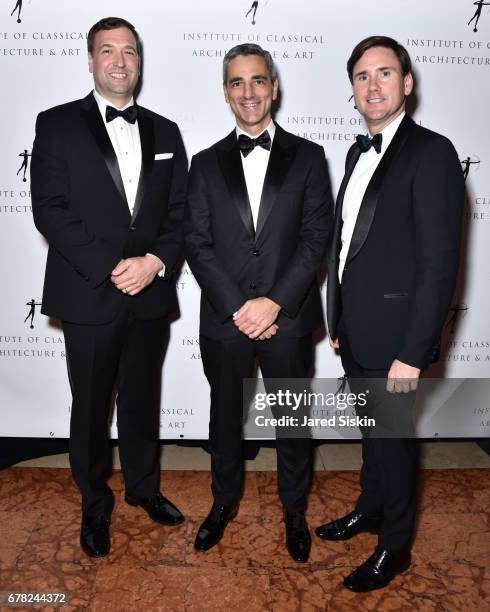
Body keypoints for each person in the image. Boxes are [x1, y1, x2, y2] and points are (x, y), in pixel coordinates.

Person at [31, 17, 187, 558]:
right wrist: (113, 265)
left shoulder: (167, 131)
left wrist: (154, 262)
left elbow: (179, 213)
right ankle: (95, 504)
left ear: (139, 62)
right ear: (91, 60)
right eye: (108, 51)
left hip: (150, 292)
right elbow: (49, 210)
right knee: (92, 407)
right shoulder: (56, 125)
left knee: (143, 402)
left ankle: (145, 490)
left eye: (129, 52)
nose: (119, 61)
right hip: (89, 292)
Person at [316, 36, 465, 591]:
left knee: (395, 445)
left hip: (398, 340)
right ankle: (371, 508)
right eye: (361, 75)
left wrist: (413, 349)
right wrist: (337, 321)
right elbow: (344, 245)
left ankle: (394, 547)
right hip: (356, 330)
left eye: (384, 73)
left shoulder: (433, 152)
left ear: (407, 83)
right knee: (373, 436)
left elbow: (438, 263)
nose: (372, 85)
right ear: (352, 89)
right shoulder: (358, 152)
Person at [185, 43, 332, 562]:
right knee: (223, 419)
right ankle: (222, 503)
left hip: (287, 319)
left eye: (257, 81)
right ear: (225, 92)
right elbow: (196, 243)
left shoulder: (310, 157)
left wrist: (273, 303)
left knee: (292, 420)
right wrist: (238, 307)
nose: (248, 92)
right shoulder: (203, 164)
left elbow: (317, 236)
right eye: (236, 82)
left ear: (274, 86)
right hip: (225, 322)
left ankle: (295, 510)